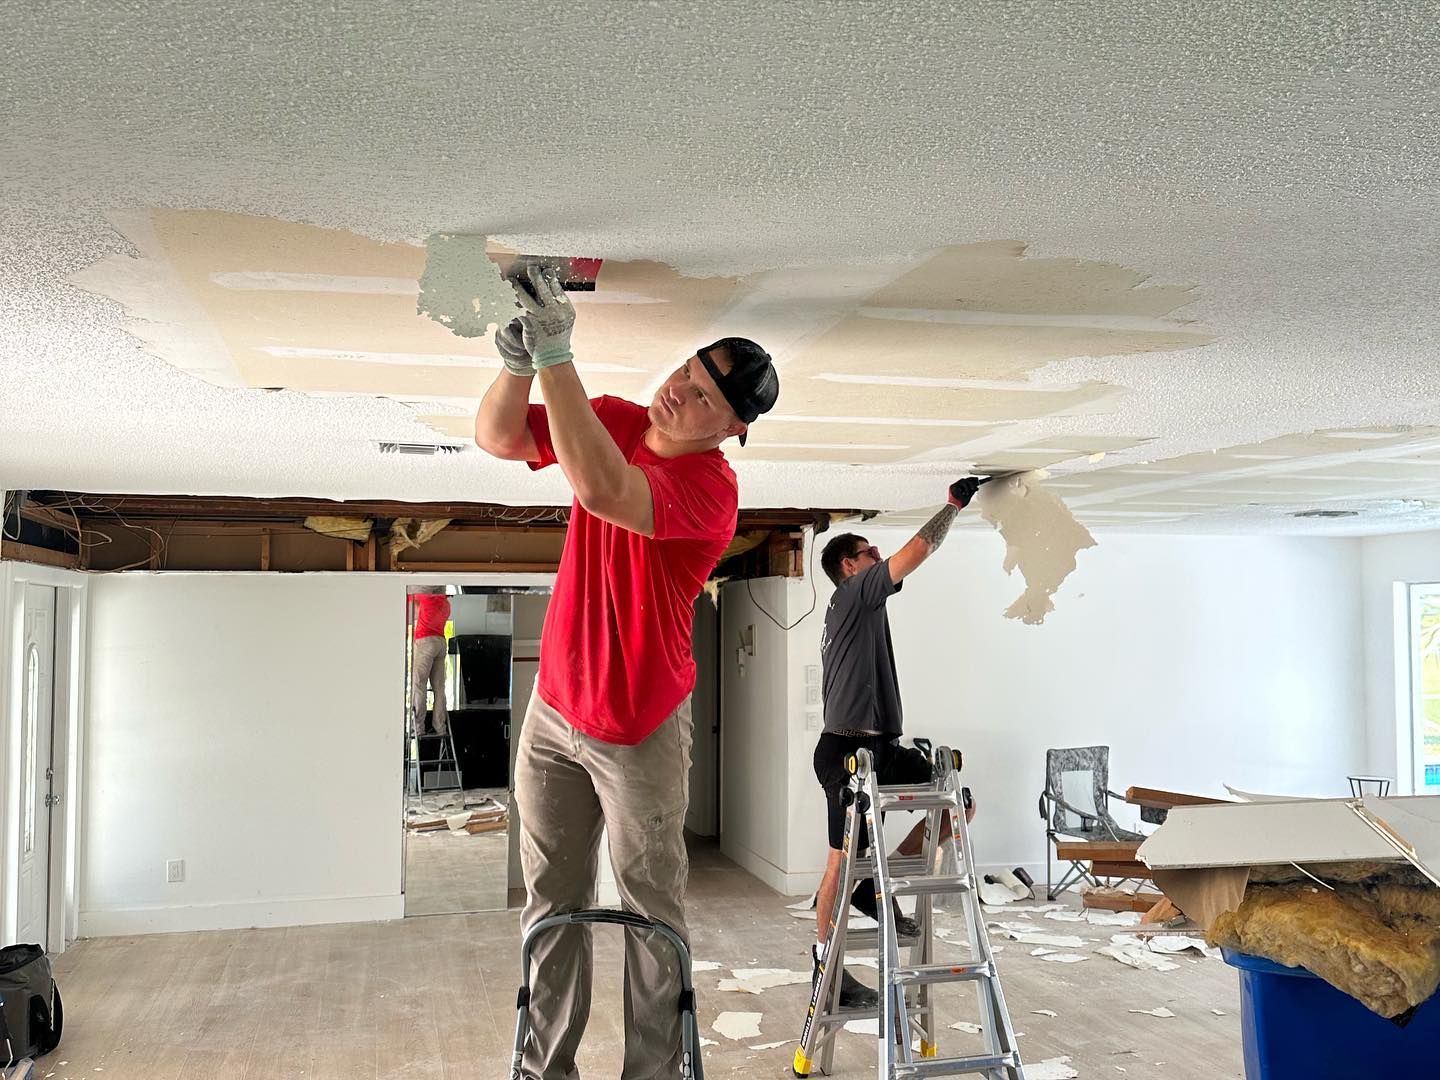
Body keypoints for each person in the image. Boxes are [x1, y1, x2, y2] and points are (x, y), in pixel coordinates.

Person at [475, 264, 779, 1080]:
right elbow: (501, 439)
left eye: (709, 397)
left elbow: (606, 490)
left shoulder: (710, 492)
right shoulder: (610, 416)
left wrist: (556, 354)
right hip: (554, 712)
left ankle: (654, 1072)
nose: (684, 391)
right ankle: (547, 1071)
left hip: (641, 724)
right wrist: (516, 366)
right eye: (690, 371)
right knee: (552, 907)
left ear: (733, 429)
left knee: (651, 910)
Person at [811, 479, 981, 1008]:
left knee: (959, 804)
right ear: (849, 566)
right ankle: (827, 972)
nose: (878, 556)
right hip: (846, 754)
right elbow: (917, 552)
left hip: (882, 750)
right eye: (868, 553)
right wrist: (951, 507)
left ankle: (875, 885)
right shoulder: (854, 594)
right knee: (839, 861)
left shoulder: (860, 604)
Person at [409, 586, 451, 736]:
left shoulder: (426, 597)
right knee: (439, 688)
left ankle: (418, 727)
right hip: (440, 642)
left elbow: (408, 594)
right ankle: (440, 727)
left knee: (419, 683)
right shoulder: (446, 605)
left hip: (425, 641)